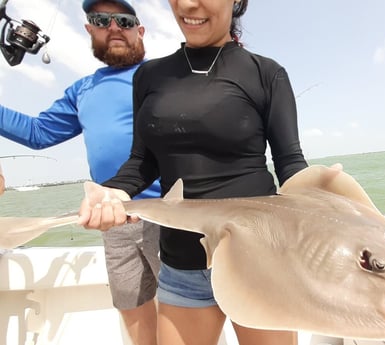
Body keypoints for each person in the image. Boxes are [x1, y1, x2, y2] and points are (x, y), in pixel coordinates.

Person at [78, 0, 308, 344]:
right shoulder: (149, 76)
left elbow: (291, 165)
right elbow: (142, 160)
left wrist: (338, 215)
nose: (187, 4)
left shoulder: (266, 73)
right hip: (181, 267)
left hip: (259, 262)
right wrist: (114, 192)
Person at [0, 1, 160, 344]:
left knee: (188, 308)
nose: (114, 26)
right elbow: (37, 133)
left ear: (140, 30)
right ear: (90, 30)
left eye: (124, 20)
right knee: (133, 309)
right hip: (110, 217)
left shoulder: (166, 75)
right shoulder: (82, 90)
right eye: (101, 20)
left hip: (168, 212)